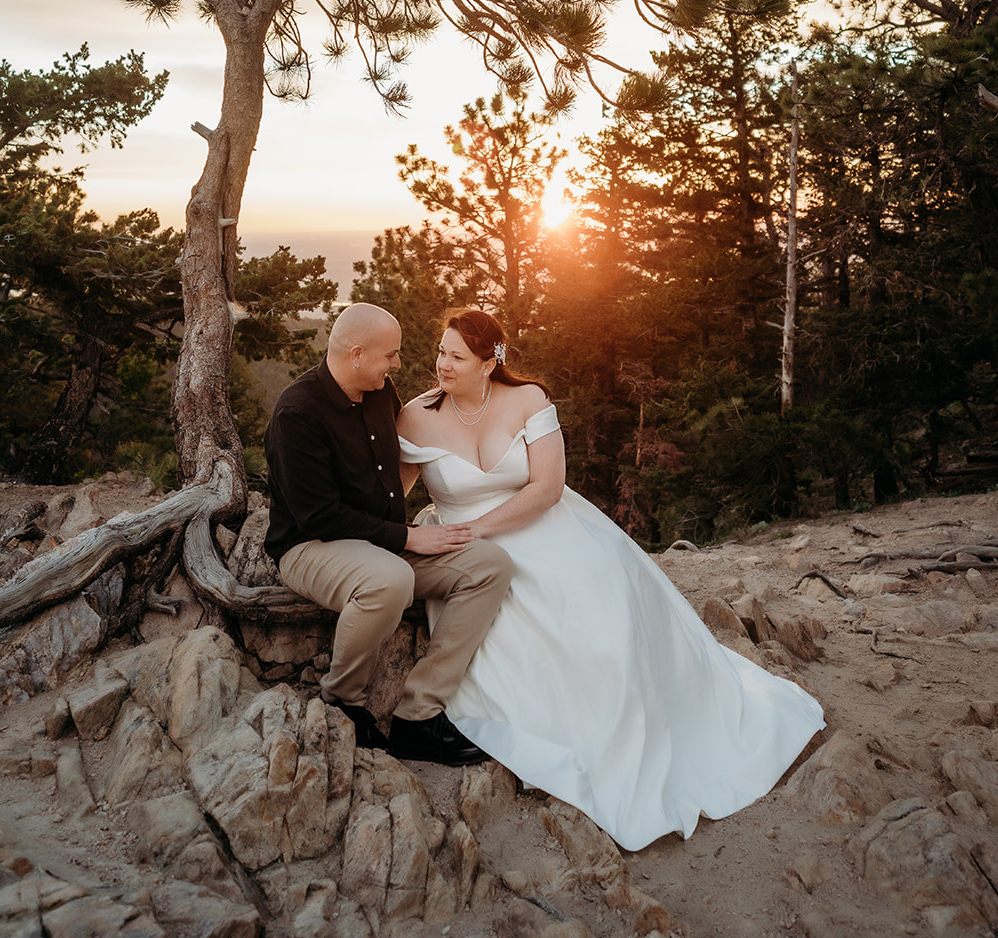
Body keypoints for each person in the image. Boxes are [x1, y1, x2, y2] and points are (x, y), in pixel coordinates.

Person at [396, 307, 826, 850]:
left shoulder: (529, 400)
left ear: (488, 363)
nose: (441, 364)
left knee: (605, 611)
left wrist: (480, 527)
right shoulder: (415, 417)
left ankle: (649, 733)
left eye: (455, 356)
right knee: (516, 626)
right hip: (466, 555)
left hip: (542, 527)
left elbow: (548, 487)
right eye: (440, 352)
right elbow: (389, 495)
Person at [263, 301, 513, 765]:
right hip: (312, 546)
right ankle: (343, 702)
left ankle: (418, 716)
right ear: (356, 354)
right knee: (389, 579)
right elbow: (319, 516)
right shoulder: (297, 415)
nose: (398, 363)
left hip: (382, 541)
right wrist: (409, 538)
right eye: (390, 355)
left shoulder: (379, 391)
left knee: (490, 565)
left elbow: (400, 467)